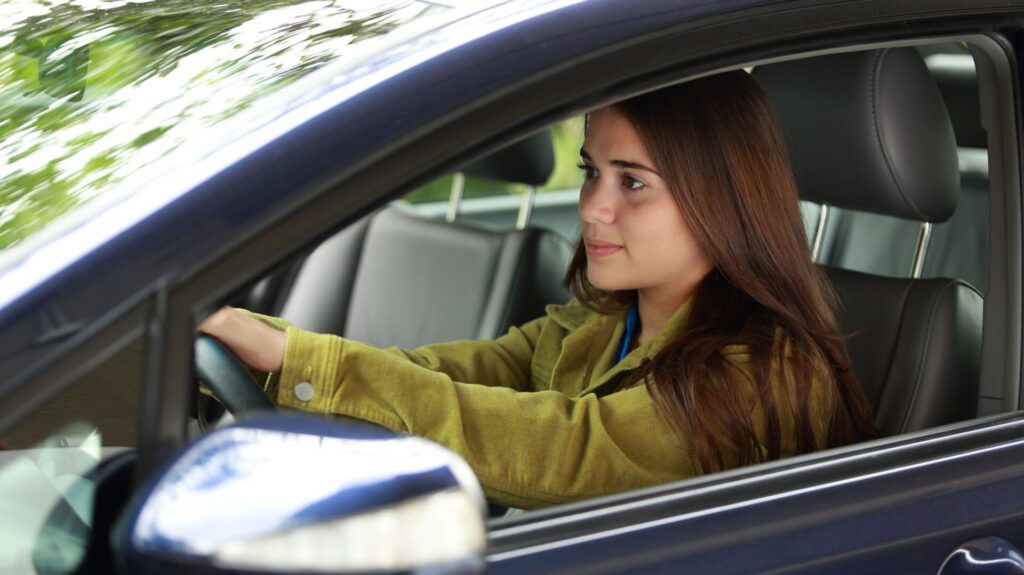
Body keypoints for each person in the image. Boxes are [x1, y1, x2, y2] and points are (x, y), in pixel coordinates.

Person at [200, 70, 879, 510]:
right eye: (592, 171)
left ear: (719, 201)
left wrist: (308, 366)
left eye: (632, 181)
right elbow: (458, 376)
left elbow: (566, 449)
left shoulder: (765, 370)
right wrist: (275, 352)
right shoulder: (601, 317)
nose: (592, 207)